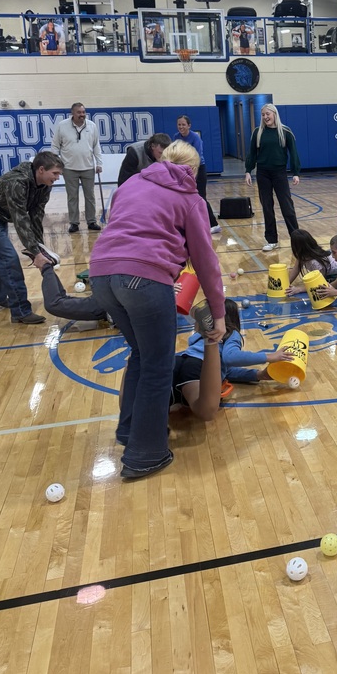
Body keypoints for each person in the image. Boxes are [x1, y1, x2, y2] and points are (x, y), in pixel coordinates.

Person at [88, 140, 226, 479]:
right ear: (192, 170)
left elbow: (121, 224)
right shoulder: (191, 198)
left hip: (101, 274)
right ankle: (145, 454)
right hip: (144, 279)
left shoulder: (131, 183)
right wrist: (218, 314)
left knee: (140, 354)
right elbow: (206, 262)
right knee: (157, 367)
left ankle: (129, 430)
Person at [0, 151, 63, 324]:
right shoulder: (17, 182)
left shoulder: (45, 185)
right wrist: (35, 254)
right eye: (55, 173)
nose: (58, 178)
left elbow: (36, 215)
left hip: (0, 214)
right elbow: (20, 219)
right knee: (8, 258)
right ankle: (21, 311)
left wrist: (39, 249)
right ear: (41, 169)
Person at [172, 299, 295, 415]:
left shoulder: (202, 335)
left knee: (165, 399)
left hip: (178, 361)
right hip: (198, 367)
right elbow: (230, 357)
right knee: (205, 410)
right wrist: (269, 356)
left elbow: (226, 370)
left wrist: (258, 375)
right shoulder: (229, 332)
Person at [245, 103, 301, 252]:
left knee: (287, 207)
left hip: (279, 173)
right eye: (263, 115)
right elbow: (252, 153)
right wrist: (248, 170)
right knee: (267, 207)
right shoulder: (257, 132)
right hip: (263, 173)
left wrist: (295, 172)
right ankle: (271, 240)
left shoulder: (286, 132)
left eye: (267, 114)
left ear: (274, 114)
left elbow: (294, 153)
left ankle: (296, 239)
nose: (265, 117)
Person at [51, 102, 103, 233]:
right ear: (72, 113)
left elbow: (96, 146)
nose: (82, 115)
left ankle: (91, 221)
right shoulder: (62, 126)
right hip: (69, 168)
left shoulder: (92, 126)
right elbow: (55, 146)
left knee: (90, 196)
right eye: (79, 112)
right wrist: (55, 164)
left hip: (88, 167)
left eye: (83, 112)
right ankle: (74, 223)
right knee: (72, 197)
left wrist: (99, 163)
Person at [174, 115, 220, 233]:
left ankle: (214, 224)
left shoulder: (195, 138)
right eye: (179, 124)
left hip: (197, 169)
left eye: (183, 124)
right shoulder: (176, 137)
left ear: (189, 126)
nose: (181, 127)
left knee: (200, 197)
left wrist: (190, 172)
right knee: (182, 197)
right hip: (182, 170)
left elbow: (197, 157)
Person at [285, 228, 337, 294]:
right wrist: (286, 284)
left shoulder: (315, 263)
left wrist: (299, 289)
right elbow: (296, 269)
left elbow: (318, 283)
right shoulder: (302, 255)